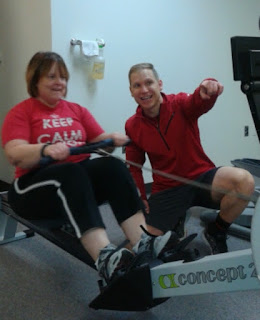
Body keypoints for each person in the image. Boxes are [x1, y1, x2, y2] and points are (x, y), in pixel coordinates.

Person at [1, 53, 182, 285]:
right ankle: (105, 257)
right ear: (35, 80)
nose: (60, 82)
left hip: (73, 186)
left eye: (63, 77)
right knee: (70, 171)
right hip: (31, 192)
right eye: (51, 76)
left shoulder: (76, 110)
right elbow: (15, 153)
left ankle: (142, 241)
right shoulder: (22, 112)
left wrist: (112, 139)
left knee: (113, 166)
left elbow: (98, 140)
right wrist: (45, 149)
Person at [125, 62, 255, 255]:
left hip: (201, 176)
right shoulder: (132, 125)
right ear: (131, 91)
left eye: (148, 83)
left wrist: (207, 89)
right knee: (145, 245)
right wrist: (141, 197)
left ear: (159, 84)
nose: (144, 90)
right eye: (137, 85)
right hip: (168, 189)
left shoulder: (179, 104)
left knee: (244, 181)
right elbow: (134, 166)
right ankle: (176, 219)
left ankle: (216, 231)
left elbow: (197, 102)